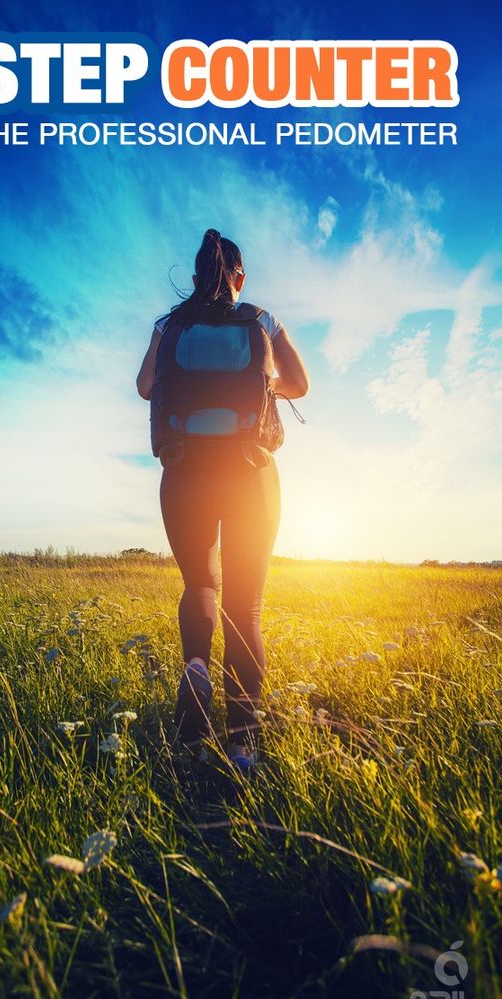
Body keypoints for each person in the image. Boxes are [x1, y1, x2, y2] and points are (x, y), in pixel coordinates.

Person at [137, 229, 309, 771]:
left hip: (184, 469)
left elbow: (145, 385)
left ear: (195, 278)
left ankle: (196, 668)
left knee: (200, 584)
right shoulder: (261, 319)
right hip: (250, 470)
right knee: (246, 604)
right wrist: (262, 383)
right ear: (239, 276)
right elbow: (299, 384)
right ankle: (242, 745)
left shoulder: (170, 324)